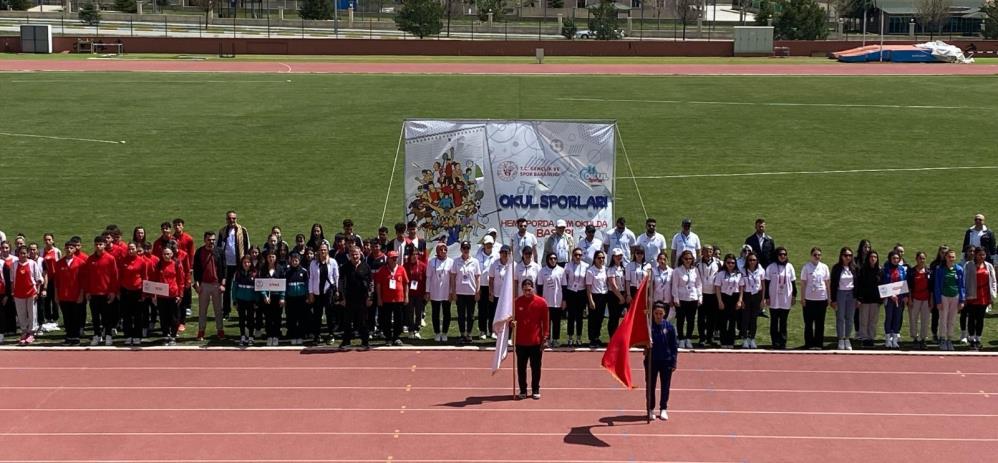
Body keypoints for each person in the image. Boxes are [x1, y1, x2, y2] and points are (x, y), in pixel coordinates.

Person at [513, 278, 549, 400]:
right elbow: (512, 319)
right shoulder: (516, 302)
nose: (527, 292)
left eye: (529, 290)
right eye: (525, 290)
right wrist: (511, 323)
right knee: (521, 368)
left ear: (533, 288)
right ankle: (523, 389)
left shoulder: (541, 302)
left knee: (536, 367)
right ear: (522, 289)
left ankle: (535, 389)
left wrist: (545, 337)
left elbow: (545, 321)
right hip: (520, 342)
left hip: (536, 342)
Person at [644, 302, 678, 421]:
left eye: (660, 313)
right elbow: (639, 343)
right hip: (651, 361)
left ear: (664, 314)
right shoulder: (648, 327)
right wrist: (646, 344)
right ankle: (650, 408)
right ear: (652, 313)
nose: (658, 316)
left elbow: (673, 346)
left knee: (665, 386)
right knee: (650, 386)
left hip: (666, 361)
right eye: (656, 313)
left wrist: (673, 362)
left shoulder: (669, 327)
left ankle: (663, 408)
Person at [83, 236, 119, 346]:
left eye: (100, 244)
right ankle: (97, 335)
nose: (98, 246)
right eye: (96, 244)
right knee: (95, 317)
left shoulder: (110, 258)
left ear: (104, 245)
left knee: (107, 316)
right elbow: (87, 277)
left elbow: (114, 276)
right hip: (94, 294)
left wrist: (113, 292)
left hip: (106, 293)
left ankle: (108, 335)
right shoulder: (90, 259)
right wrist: (87, 291)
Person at [193, 231, 226, 342]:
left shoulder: (220, 251)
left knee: (218, 310)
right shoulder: (199, 252)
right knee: (202, 310)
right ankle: (201, 331)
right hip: (204, 285)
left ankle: (220, 330)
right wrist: (197, 284)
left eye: (213, 240)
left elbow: (224, 268)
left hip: (217, 284)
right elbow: (196, 269)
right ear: (204, 240)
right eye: (209, 240)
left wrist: (223, 283)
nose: (211, 242)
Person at [218, 210, 251, 320]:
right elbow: (219, 247)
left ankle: (242, 310)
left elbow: (247, 246)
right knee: (226, 288)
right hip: (227, 265)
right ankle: (226, 311)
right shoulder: (222, 231)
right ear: (226, 219)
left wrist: (246, 262)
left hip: (239, 263)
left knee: (241, 286)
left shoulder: (243, 230)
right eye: (229, 218)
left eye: (233, 218)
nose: (231, 220)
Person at [340, 245, 374, 350]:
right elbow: (341, 283)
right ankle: (346, 341)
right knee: (347, 321)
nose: (355, 256)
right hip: (349, 298)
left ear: (360, 254)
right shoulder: (345, 267)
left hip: (362, 299)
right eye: (352, 254)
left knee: (363, 321)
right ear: (349, 255)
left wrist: (370, 297)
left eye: (356, 254)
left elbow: (371, 283)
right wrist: (342, 298)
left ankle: (365, 342)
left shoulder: (366, 266)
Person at [52, 240, 86, 345]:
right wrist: (56, 295)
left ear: (75, 249)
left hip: (75, 295)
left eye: (71, 248)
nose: (69, 250)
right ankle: (68, 336)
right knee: (66, 317)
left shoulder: (80, 263)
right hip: (63, 295)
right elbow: (57, 281)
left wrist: (81, 295)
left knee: (75, 317)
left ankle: (76, 337)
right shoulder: (59, 263)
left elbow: (83, 281)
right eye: (67, 248)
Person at [962, 246, 995, 351]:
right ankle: (971, 339)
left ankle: (978, 339)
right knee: (971, 318)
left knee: (980, 319)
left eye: (983, 255)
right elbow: (964, 280)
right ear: (975, 255)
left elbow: (993, 281)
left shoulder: (988, 266)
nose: (982, 257)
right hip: (971, 295)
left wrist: (992, 295)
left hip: (984, 296)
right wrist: (964, 295)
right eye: (980, 254)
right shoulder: (968, 265)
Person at [151, 247, 185, 346]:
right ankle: (165, 335)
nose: (166, 256)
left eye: (168, 254)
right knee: (163, 317)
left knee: (174, 317)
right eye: (164, 254)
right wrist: (154, 295)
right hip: (162, 295)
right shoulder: (159, 265)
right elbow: (154, 280)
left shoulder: (176, 264)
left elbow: (181, 280)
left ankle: (173, 336)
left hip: (173, 295)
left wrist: (180, 295)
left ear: (172, 255)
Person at [763, 247, 796, 349]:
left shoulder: (790, 267)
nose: (783, 256)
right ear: (777, 255)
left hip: (786, 298)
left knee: (783, 321)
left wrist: (794, 296)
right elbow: (766, 283)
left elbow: (793, 282)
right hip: (774, 298)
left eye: (784, 254)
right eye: (781, 254)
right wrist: (766, 297)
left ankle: (782, 342)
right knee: (774, 321)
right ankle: (775, 342)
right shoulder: (771, 267)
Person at [308, 243, 339, 345]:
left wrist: (337, 290)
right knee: (317, 315)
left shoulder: (333, 262)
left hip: (328, 291)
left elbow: (336, 276)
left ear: (328, 251)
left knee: (330, 314)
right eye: (321, 250)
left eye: (325, 250)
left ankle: (331, 334)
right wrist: (311, 293)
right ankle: (317, 335)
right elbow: (311, 279)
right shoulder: (313, 263)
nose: (323, 251)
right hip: (317, 293)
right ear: (318, 251)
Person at [10, 246, 43, 345]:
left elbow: (38, 279)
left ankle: (31, 333)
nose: (22, 255)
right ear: (18, 254)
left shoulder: (32, 263)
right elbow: (12, 280)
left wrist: (37, 292)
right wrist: (12, 292)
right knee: (21, 313)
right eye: (21, 253)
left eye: (24, 253)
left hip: (31, 293)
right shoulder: (14, 264)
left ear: (28, 254)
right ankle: (24, 332)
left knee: (32, 313)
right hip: (18, 293)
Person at [375, 250, 409, 346]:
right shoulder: (382, 270)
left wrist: (406, 296)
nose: (394, 260)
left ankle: (396, 337)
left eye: (396, 258)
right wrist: (379, 298)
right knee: (386, 319)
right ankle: (388, 337)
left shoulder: (401, 269)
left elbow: (406, 283)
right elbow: (378, 285)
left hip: (399, 299)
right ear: (388, 259)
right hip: (386, 299)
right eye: (392, 258)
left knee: (399, 319)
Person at [449, 241, 481, 345]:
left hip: (471, 292)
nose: (466, 250)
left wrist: (477, 291)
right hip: (460, 292)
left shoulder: (475, 262)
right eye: (464, 248)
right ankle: (462, 334)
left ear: (469, 249)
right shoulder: (456, 261)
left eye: (467, 248)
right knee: (461, 315)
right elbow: (453, 277)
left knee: (471, 315)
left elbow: (478, 277)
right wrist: (453, 291)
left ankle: (469, 334)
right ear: (461, 249)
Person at [118, 242, 149, 346]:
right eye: (129, 249)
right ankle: (128, 335)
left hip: (138, 291)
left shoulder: (142, 261)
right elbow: (119, 276)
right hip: (125, 291)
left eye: (133, 249)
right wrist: (119, 291)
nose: (131, 251)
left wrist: (144, 293)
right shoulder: (123, 261)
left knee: (138, 315)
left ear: (136, 249)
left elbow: (145, 277)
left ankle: (137, 336)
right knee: (126, 315)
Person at [933, 249, 965, 351]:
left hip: (955, 297)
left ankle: (949, 339)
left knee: (952, 319)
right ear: (946, 258)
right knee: (943, 318)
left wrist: (962, 300)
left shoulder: (959, 269)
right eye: (949, 257)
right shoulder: (940, 269)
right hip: (944, 297)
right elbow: (937, 285)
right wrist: (938, 301)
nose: (951, 259)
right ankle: (942, 338)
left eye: (953, 257)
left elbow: (962, 285)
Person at [800, 247, 831, 350]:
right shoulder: (806, 267)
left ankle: (818, 343)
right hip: (809, 299)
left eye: (819, 255)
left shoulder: (824, 267)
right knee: (808, 323)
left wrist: (829, 297)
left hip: (821, 299)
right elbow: (803, 283)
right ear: (811, 256)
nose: (817, 257)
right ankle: (809, 343)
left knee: (820, 323)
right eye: (815, 255)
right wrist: (802, 298)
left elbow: (827, 283)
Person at [671, 250, 702, 349]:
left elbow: (698, 284)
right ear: (682, 259)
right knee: (680, 319)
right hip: (681, 298)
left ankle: (688, 339)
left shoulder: (695, 270)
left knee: (691, 320)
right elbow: (674, 286)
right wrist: (676, 298)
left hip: (693, 298)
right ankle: (681, 339)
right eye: (686, 259)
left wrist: (700, 296)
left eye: (690, 259)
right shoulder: (677, 271)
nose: (688, 260)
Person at [830, 247, 858, 351]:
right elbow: (833, 284)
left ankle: (847, 338)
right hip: (840, 293)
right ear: (841, 256)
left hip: (851, 294)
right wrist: (833, 299)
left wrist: (858, 298)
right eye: (846, 255)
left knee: (850, 318)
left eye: (850, 255)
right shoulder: (836, 268)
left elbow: (858, 283)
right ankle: (841, 339)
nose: (848, 257)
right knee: (840, 317)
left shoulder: (854, 268)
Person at [713, 254, 743, 349]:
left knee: (733, 321)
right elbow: (717, 287)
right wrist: (720, 301)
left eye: (732, 263)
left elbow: (741, 288)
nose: (730, 264)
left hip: (735, 297)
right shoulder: (721, 274)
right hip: (724, 297)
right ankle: (723, 341)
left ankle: (731, 341)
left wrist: (740, 300)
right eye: (728, 262)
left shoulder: (739, 274)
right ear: (725, 263)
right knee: (723, 321)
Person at [538, 251, 566, 347]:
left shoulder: (561, 271)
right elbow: (540, 287)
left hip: (557, 301)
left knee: (556, 321)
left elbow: (564, 286)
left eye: (555, 258)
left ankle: (555, 339)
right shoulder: (542, 271)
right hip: (546, 301)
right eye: (551, 259)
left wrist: (564, 300)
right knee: (546, 322)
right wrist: (540, 301)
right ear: (547, 260)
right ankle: (546, 339)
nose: (553, 260)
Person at [426, 242, 453, 343]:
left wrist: (451, 292)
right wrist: (427, 291)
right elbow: (428, 277)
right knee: (435, 313)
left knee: (447, 313)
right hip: (435, 291)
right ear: (437, 251)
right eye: (441, 250)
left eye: (445, 249)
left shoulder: (451, 262)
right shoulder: (432, 262)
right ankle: (437, 332)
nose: (443, 251)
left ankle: (445, 333)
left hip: (446, 291)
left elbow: (452, 279)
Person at [855, 250, 882, 349]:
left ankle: (871, 338)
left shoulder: (880, 270)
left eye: (875, 257)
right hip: (864, 300)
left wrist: (881, 298)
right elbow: (859, 285)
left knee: (873, 321)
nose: (873, 259)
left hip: (875, 300)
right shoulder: (862, 270)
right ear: (868, 258)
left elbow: (882, 285)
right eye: (871, 257)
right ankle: (864, 338)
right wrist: (859, 298)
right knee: (864, 320)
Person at [905, 251, 932, 350]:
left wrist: (931, 300)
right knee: (913, 319)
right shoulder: (911, 272)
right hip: (915, 298)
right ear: (916, 259)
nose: (922, 260)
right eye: (920, 258)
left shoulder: (929, 272)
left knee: (925, 320)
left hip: (926, 299)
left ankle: (923, 339)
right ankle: (915, 338)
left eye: (923, 258)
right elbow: (909, 287)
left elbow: (931, 288)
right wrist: (910, 299)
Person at [258, 250, 286, 346]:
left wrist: (282, 297)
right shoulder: (263, 269)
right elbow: (260, 284)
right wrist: (264, 296)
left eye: (273, 256)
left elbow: (283, 285)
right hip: (267, 298)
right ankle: (269, 335)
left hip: (277, 297)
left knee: (277, 317)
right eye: (269, 257)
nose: (271, 259)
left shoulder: (280, 269)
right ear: (266, 258)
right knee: (268, 317)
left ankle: (276, 335)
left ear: (276, 258)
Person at [881, 251, 908, 349]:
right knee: (889, 317)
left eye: (897, 258)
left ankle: (895, 340)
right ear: (890, 259)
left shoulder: (902, 269)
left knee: (897, 318)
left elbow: (904, 282)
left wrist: (905, 295)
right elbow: (883, 284)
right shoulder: (885, 269)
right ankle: (888, 339)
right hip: (889, 298)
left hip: (899, 298)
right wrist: (890, 294)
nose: (895, 260)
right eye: (893, 258)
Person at [563, 247, 588, 347]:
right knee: (571, 316)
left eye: (580, 255)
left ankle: (579, 337)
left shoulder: (586, 266)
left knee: (579, 317)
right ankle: (570, 337)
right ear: (572, 256)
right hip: (571, 292)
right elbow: (565, 280)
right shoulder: (567, 266)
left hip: (581, 293)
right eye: (576, 255)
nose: (578, 257)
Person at [284, 252, 309, 346]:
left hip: (301, 299)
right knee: (291, 318)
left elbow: (307, 285)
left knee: (301, 318)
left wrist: (307, 296)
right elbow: (285, 286)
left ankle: (300, 336)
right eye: (293, 260)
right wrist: (285, 297)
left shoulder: (304, 271)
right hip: (291, 299)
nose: (294, 262)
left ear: (299, 261)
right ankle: (293, 336)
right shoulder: (287, 271)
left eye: (296, 260)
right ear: (290, 261)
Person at [585, 250, 609, 348]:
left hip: (603, 296)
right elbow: (588, 287)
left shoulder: (605, 269)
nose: (601, 259)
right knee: (593, 318)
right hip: (594, 296)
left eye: (603, 258)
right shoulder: (590, 271)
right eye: (599, 258)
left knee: (600, 318)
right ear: (595, 259)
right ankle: (592, 338)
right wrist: (591, 300)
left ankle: (597, 337)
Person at [740, 252, 764, 349]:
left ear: (757, 261)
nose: (752, 262)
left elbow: (763, 285)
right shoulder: (743, 271)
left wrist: (763, 299)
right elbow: (741, 286)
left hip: (757, 295)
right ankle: (745, 339)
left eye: (754, 260)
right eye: (750, 260)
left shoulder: (760, 270)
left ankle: (752, 338)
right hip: (746, 295)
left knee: (754, 318)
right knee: (745, 318)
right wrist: (741, 299)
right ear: (747, 261)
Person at [475, 236, 497, 339]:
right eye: (487, 244)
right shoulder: (478, 256)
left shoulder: (496, 255)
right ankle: (482, 331)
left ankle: (493, 330)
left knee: (492, 309)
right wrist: (477, 288)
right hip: (482, 286)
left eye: (491, 244)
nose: (489, 246)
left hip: (493, 286)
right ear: (483, 245)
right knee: (482, 309)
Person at [39, 233, 61, 332]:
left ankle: (55, 317)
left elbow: (59, 263)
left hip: (55, 278)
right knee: (46, 299)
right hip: (45, 278)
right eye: (46, 239)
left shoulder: (57, 251)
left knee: (55, 299)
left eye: (49, 239)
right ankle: (48, 317)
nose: (47, 241)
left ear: (53, 240)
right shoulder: (41, 251)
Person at [404, 245, 426, 339]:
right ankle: (410, 330)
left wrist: (426, 292)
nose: (414, 256)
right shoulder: (405, 266)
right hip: (409, 293)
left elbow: (425, 280)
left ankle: (417, 330)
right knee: (409, 313)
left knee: (418, 313)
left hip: (419, 293)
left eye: (416, 254)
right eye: (412, 254)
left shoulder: (422, 266)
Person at [605, 248, 627, 339]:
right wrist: (621, 297)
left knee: (622, 317)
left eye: (620, 255)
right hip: (614, 295)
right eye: (617, 256)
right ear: (613, 257)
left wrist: (624, 295)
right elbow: (613, 285)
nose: (619, 257)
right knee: (613, 318)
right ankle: (612, 337)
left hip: (623, 294)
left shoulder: (623, 268)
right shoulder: (611, 269)